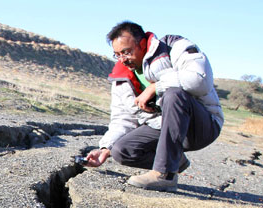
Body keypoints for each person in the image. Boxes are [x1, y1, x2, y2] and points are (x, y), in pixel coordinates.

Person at [85, 21, 224, 191]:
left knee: (174, 94)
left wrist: (155, 87)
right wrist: (105, 148)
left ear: (142, 44)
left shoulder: (173, 47)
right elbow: (122, 119)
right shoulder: (121, 77)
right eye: (117, 54)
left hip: (201, 126)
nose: (122, 59)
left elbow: (200, 80)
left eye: (127, 52)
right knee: (121, 150)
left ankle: (165, 174)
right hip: (162, 128)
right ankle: (174, 159)